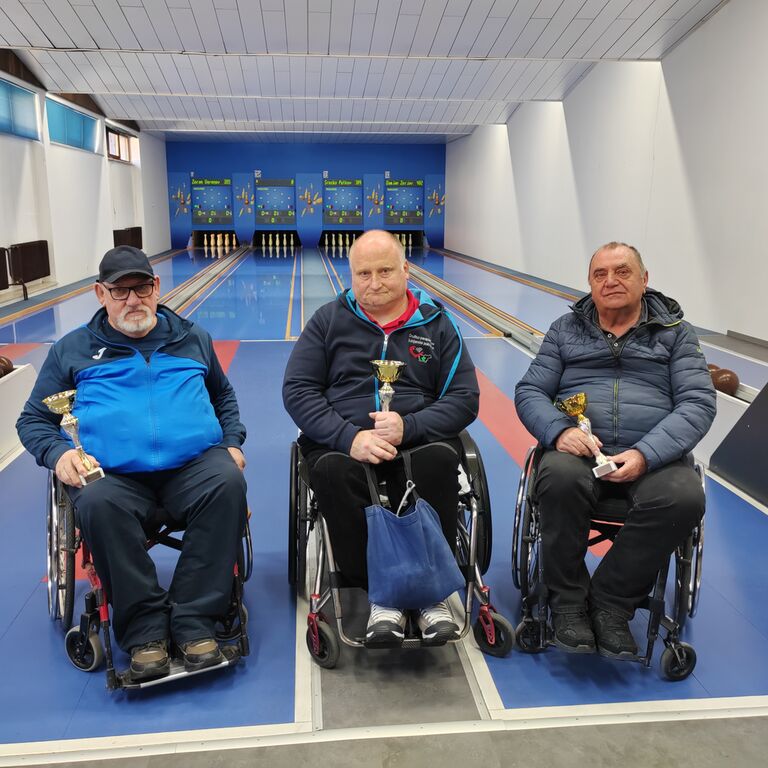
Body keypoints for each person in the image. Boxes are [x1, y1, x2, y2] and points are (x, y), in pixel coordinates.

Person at [17, 245, 248, 681]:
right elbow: (33, 419)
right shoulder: (72, 350)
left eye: (141, 288)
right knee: (96, 502)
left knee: (227, 483)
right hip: (114, 475)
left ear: (156, 287)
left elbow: (223, 397)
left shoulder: (192, 338)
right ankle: (145, 633)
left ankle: (194, 622)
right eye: (119, 291)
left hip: (192, 466)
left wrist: (232, 441)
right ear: (100, 294)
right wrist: (59, 453)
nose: (132, 300)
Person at [514, 241, 715, 659]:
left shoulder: (676, 334)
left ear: (644, 279)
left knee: (684, 497)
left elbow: (697, 402)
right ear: (590, 283)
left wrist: (645, 453)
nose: (611, 281)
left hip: (654, 458)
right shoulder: (565, 330)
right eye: (600, 274)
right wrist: (558, 432)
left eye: (622, 271)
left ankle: (610, 603)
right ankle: (568, 604)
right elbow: (531, 390)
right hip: (580, 453)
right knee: (558, 478)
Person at [282, 230, 479, 646]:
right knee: (333, 472)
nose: (374, 282)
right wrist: (348, 437)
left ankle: (429, 596)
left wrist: (411, 426)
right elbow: (298, 390)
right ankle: (380, 596)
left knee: (436, 462)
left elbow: (465, 398)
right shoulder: (327, 321)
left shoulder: (437, 324)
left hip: (419, 436)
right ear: (351, 276)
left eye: (385, 271)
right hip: (345, 440)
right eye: (364, 273)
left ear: (406, 269)